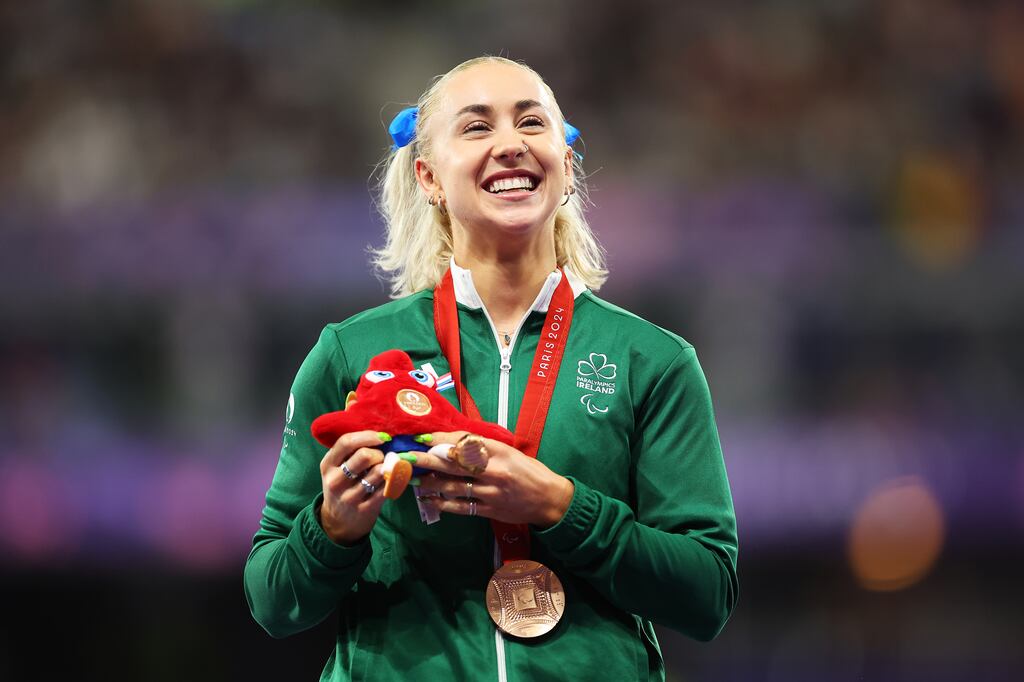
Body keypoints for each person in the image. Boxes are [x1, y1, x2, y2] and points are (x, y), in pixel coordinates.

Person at [244, 55, 738, 682]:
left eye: (532, 123)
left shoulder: (653, 361)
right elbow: (271, 602)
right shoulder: (350, 353)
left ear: (565, 165)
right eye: (477, 128)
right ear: (429, 177)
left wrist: (560, 506)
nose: (510, 144)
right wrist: (331, 531)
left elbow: (707, 596)